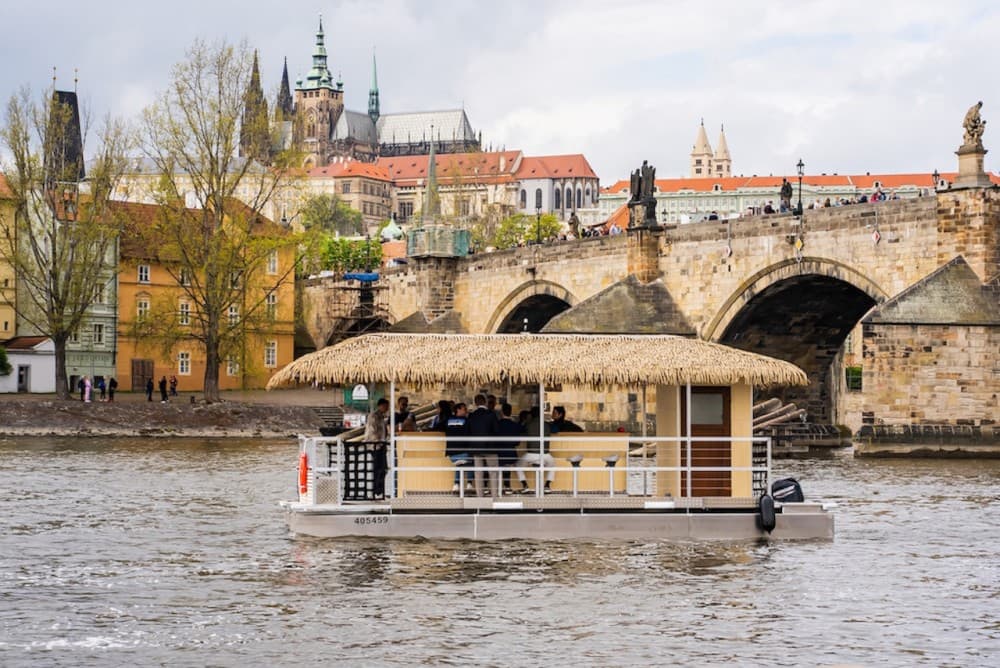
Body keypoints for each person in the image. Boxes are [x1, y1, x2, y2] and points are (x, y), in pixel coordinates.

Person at [466, 394, 500, 497]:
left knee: (478, 473)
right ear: (485, 402)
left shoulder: (472, 415)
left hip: (476, 448)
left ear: (475, 403)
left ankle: (480, 496)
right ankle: (494, 496)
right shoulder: (491, 414)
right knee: (493, 472)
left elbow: (468, 431)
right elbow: (497, 430)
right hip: (490, 448)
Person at [517, 406, 556, 493]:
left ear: (531, 415)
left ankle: (525, 485)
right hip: (545, 454)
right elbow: (556, 429)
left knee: (518, 466)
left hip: (531, 454)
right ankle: (547, 485)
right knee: (553, 465)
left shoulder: (528, 424)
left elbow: (520, 430)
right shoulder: (546, 424)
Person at [363, 398, 390, 500]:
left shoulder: (382, 417)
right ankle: (377, 490)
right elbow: (372, 430)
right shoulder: (373, 416)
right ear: (381, 405)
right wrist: (378, 441)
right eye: (386, 406)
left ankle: (379, 490)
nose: (387, 408)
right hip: (375, 445)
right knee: (378, 469)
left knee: (383, 469)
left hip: (381, 445)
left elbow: (383, 431)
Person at [444, 403, 471, 493]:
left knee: (459, 464)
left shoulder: (448, 420)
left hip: (452, 453)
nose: (466, 410)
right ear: (458, 410)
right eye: (464, 409)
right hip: (464, 451)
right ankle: (469, 484)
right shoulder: (467, 421)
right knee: (473, 461)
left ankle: (456, 484)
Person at [496, 402, 522, 494]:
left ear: (502, 412)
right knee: (507, 469)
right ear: (510, 412)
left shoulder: (497, 424)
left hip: (498, 453)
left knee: (497, 470)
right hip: (510, 452)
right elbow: (517, 442)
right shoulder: (515, 425)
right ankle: (507, 487)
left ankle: (496, 488)